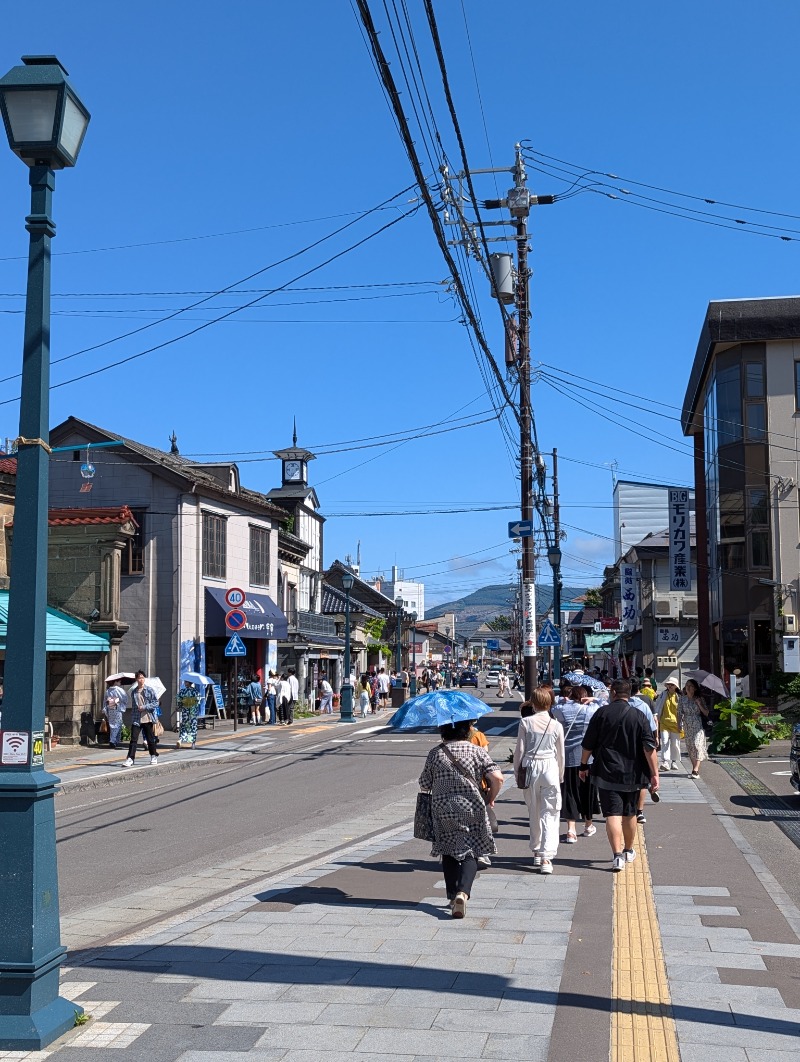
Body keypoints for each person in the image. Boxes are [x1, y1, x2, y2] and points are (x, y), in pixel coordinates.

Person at [418, 719, 503, 918]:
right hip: (472, 806)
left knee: (447, 849)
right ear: (467, 730)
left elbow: (424, 783)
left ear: (444, 730)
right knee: (471, 850)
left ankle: (451, 896)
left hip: (442, 807)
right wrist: (490, 797)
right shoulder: (476, 751)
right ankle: (463, 893)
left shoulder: (436, 753)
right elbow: (497, 777)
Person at [578, 678, 659, 872]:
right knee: (630, 813)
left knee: (612, 814)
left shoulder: (601, 713)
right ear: (629, 694)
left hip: (606, 771)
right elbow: (650, 747)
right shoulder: (639, 716)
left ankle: (616, 856)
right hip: (633, 773)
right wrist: (654, 774)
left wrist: (583, 766)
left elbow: (588, 743)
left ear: (613, 692)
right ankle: (629, 850)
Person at [514, 688, 565, 875]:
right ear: (549, 703)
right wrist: (560, 775)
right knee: (550, 813)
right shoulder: (556, 724)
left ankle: (536, 849)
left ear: (533, 703)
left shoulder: (525, 722)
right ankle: (546, 857)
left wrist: (517, 771)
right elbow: (561, 754)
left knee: (533, 810)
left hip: (530, 768)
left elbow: (519, 750)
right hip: (550, 768)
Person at [553, 685, 599, 843]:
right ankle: (588, 825)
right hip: (587, 758)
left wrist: (563, 700)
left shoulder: (562, 710)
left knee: (570, 792)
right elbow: (605, 706)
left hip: (567, 758)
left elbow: (553, 707)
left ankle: (571, 830)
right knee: (588, 791)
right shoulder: (589, 710)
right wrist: (594, 699)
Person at [123, 670, 160, 768]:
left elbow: (156, 703)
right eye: (139, 678)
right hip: (136, 718)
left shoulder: (149, 690)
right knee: (133, 740)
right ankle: (130, 758)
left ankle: (153, 755)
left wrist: (144, 707)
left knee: (150, 739)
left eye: (143, 677)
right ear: (136, 679)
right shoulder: (134, 691)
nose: (141, 680)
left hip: (147, 718)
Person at [679, 678, 709, 778]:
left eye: (690, 686)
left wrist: (699, 704)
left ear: (695, 688)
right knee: (690, 746)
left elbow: (706, 713)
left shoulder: (699, 699)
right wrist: (678, 724)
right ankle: (694, 769)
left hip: (697, 723)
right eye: (686, 685)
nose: (688, 687)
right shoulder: (682, 699)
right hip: (687, 724)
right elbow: (679, 712)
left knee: (697, 745)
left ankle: (695, 770)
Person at [653, 673, 682, 771]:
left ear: (676, 686)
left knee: (675, 743)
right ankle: (665, 761)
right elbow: (658, 706)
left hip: (676, 723)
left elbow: (682, 711)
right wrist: (656, 715)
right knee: (665, 742)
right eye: (669, 684)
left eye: (672, 685)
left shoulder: (679, 697)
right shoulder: (663, 694)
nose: (670, 686)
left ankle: (674, 761)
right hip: (664, 722)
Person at [102, 677, 128, 750]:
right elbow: (125, 698)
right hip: (117, 708)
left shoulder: (108, 691)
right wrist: (118, 701)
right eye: (119, 682)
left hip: (110, 708)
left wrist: (105, 707)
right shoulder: (119, 690)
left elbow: (105, 701)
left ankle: (114, 740)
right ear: (115, 682)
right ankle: (113, 740)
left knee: (112, 724)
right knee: (117, 724)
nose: (120, 683)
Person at [176, 680, 201, 749]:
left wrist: (179, 706)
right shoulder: (196, 691)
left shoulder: (182, 691)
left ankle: (181, 739)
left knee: (184, 725)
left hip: (185, 711)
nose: (184, 683)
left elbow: (179, 700)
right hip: (193, 711)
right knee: (193, 726)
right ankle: (192, 743)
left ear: (188, 683)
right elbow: (198, 701)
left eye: (186, 682)